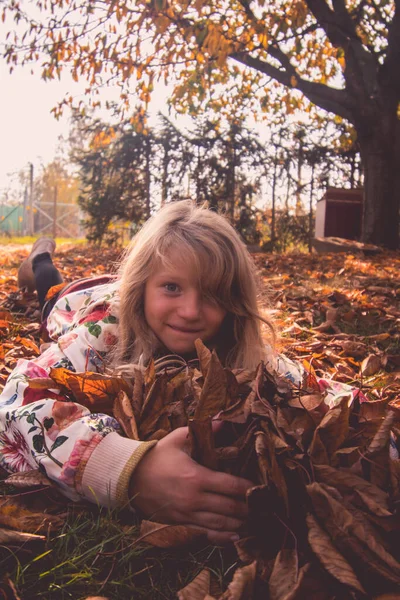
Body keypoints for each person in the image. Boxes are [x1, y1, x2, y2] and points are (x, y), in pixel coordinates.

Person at [0, 201, 359, 545]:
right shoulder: (103, 327)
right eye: (172, 287)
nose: (190, 311)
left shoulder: (238, 342)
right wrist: (129, 471)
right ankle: (40, 256)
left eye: (213, 294)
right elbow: (19, 396)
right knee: (51, 289)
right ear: (143, 289)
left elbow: (321, 393)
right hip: (77, 300)